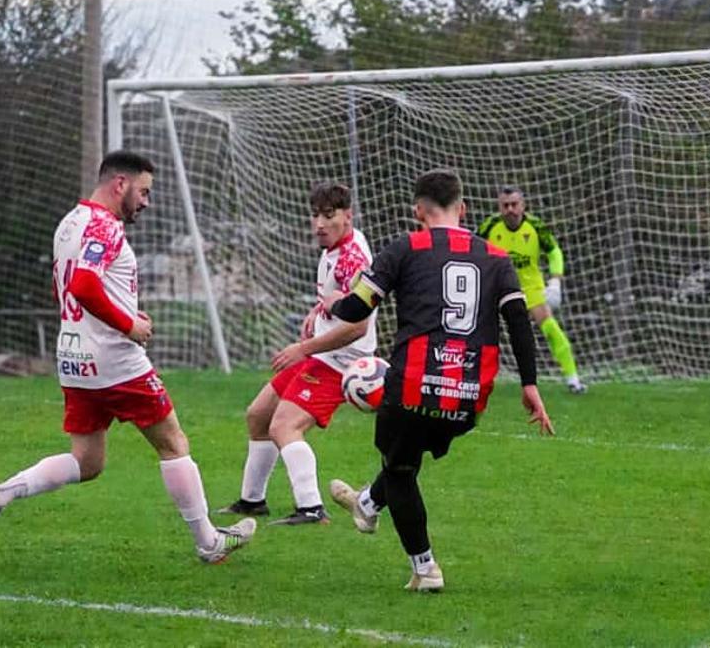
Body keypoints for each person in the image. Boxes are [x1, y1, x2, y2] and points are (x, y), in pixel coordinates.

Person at [0, 150, 256, 564]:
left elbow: (71, 290)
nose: (146, 202)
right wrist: (128, 325)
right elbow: (84, 285)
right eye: (143, 191)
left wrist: (123, 312)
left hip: (74, 354)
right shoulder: (105, 226)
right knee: (173, 442)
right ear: (119, 184)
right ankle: (209, 542)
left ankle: (0, 493)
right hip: (115, 359)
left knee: (87, 461)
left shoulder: (71, 222)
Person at [327, 169, 554, 592]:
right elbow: (519, 322)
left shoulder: (405, 248)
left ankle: (425, 567)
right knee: (408, 451)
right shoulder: (495, 257)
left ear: (419, 212)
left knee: (399, 468)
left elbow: (357, 309)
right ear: (463, 208)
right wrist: (529, 385)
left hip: (412, 385)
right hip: (467, 395)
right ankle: (366, 504)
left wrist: (331, 306)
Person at [217, 182, 377, 525]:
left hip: (339, 363)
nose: (319, 224)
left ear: (348, 216)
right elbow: (338, 300)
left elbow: (358, 327)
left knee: (284, 426)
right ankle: (252, 501)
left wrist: (303, 348)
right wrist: (318, 312)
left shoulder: (352, 259)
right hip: (322, 355)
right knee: (258, 415)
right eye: (315, 215)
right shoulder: (335, 248)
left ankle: (312, 509)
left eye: (328, 216)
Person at [477, 186, 586, 394]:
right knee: (481, 329)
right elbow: (473, 250)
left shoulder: (535, 226)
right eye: (505, 205)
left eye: (514, 204)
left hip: (530, 288)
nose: (510, 209)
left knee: (550, 328)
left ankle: (573, 379)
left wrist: (555, 281)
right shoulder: (489, 226)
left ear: (523, 205)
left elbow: (554, 251)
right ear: (499, 207)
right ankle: (473, 377)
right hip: (497, 288)